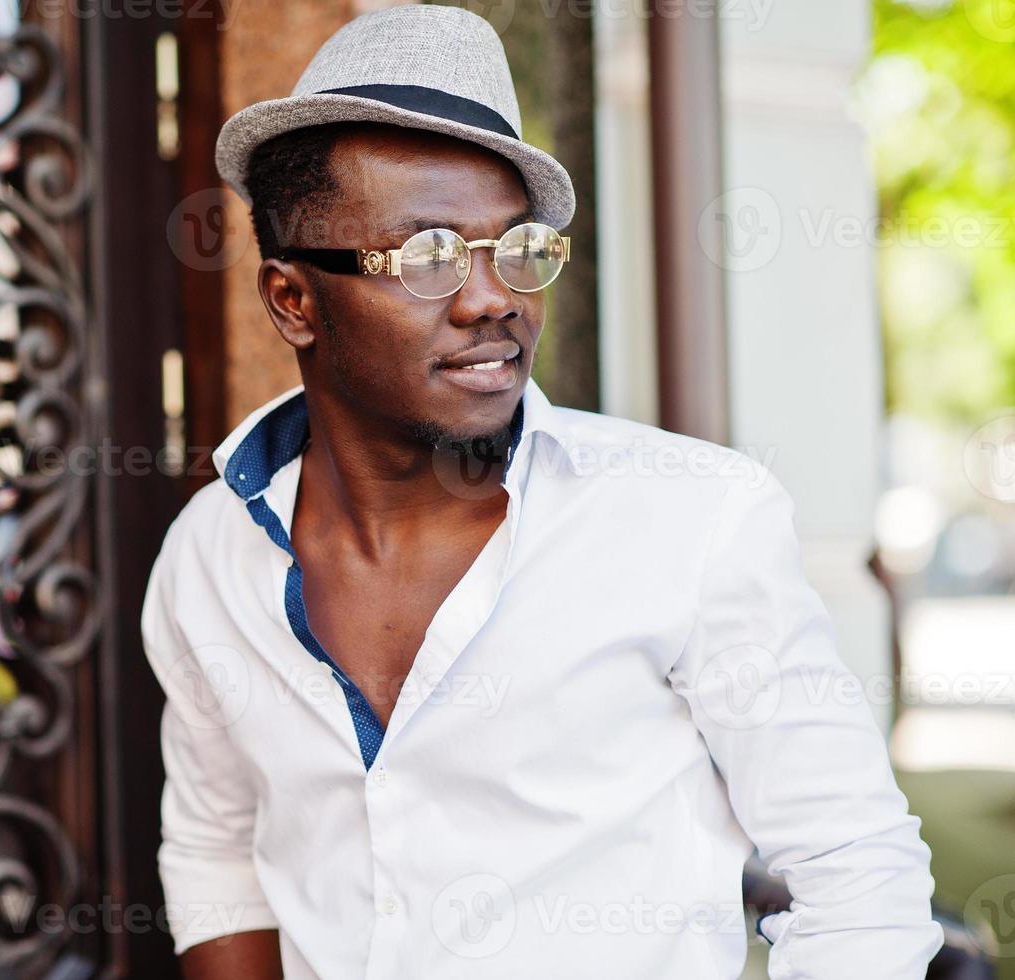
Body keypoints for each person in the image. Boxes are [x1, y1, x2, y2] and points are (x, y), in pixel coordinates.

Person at [140, 6, 942, 978]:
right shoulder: (208, 556)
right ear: (293, 300)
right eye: (429, 255)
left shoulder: (692, 521)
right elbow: (219, 852)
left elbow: (856, 870)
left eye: (518, 247)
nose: (493, 298)